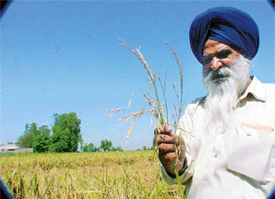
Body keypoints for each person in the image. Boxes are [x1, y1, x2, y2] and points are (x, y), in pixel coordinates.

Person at [155, 6, 275, 199]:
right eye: (207, 59)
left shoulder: (272, 101)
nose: (214, 65)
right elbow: (179, 176)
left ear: (243, 54)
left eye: (223, 54)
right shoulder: (194, 110)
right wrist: (174, 163)